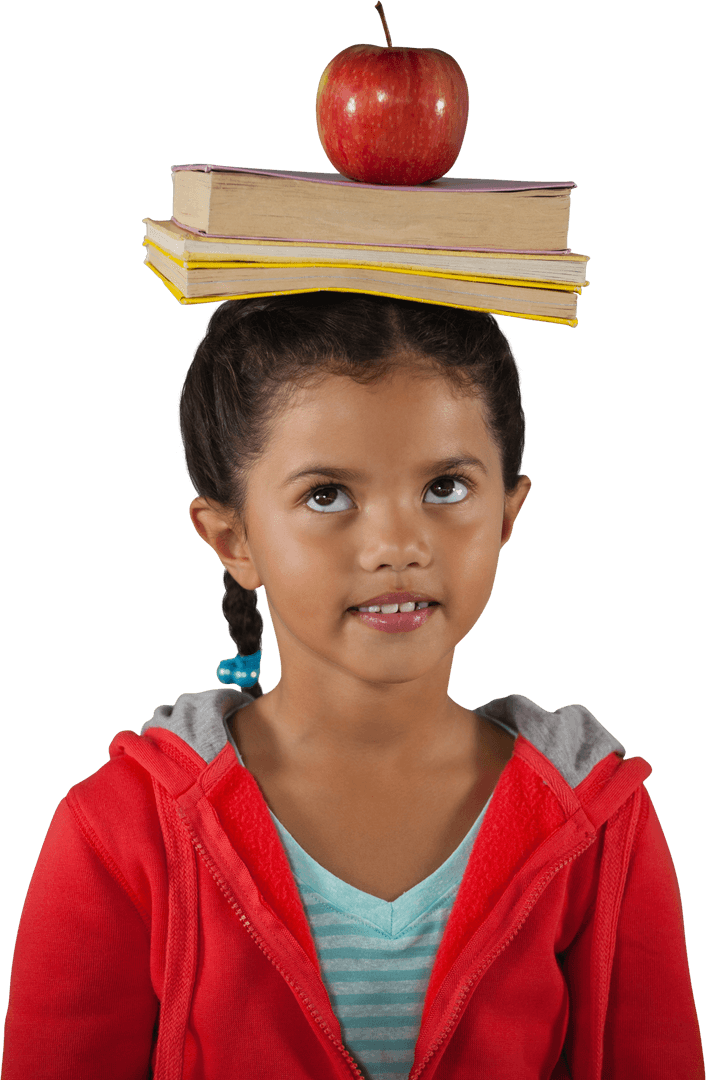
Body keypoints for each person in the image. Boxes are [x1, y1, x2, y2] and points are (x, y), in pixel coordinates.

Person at [3, 293, 703, 1079]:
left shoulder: (603, 822)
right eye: (327, 494)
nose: (398, 545)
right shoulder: (117, 835)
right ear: (233, 540)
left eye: (445, 487)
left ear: (509, 511)